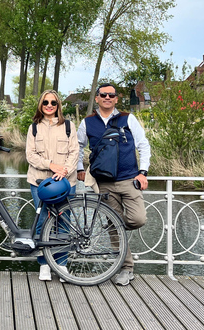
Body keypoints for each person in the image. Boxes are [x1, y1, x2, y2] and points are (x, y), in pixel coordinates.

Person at [77, 83, 149, 286]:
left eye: (111, 95)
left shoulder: (127, 118)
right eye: (103, 95)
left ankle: (111, 225)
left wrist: (143, 172)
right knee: (114, 224)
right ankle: (126, 268)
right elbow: (77, 147)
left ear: (116, 99)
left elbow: (143, 145)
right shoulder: (88, 123)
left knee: (138, 218)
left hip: (129, 179)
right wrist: (79, 169)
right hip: (104, 183)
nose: (107, 97)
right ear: (97, 98)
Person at [25, 89, 80, 281]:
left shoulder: (68, 126)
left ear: (58, 106)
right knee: (42, 223)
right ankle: (44, 264)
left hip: (65, 182)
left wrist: (64, 170)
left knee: (64, 222)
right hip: (39, 182)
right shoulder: (34, 128)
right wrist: (50, 165)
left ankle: (62, 264)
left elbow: (75, 152)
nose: (49, 105)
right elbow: (30, 155)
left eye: (53, 103)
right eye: (46, 102)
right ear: (41, 105)